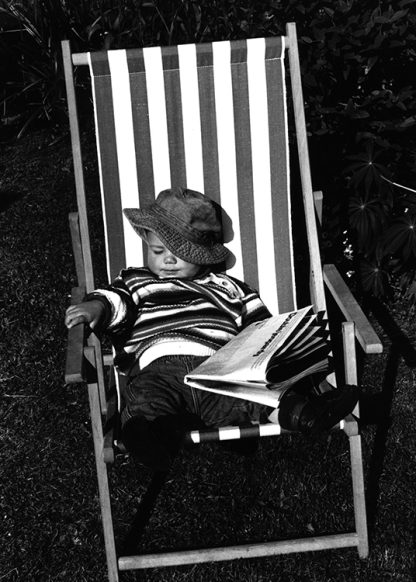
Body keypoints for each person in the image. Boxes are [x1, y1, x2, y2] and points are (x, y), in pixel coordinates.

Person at [65, 187, 358, 470]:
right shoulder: (137, 282)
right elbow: (114, 301)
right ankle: (148, 438)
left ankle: (306, 413)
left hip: (218, 372)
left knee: (256, 397)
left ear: (203, 255)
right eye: (157, 250)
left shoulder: (226, 287)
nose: (167, 259)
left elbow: (261, 330)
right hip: (158, 370)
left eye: (180, 253)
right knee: (147, 401)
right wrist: (96, 307)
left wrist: (273, 361)